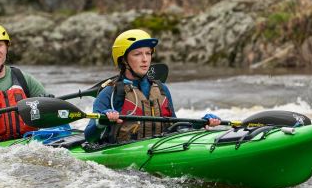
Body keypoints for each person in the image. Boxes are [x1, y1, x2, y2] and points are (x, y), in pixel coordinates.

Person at [84, 29, 220, 143]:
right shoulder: (110, 92)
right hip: (124, 152)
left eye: (148, 53)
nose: (145, 59)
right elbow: (89, 137)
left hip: (159, 147)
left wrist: (201, 123)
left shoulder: (161, 89)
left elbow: (176, 126)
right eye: (137, 54)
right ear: (124, 60)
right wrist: (102, 121)